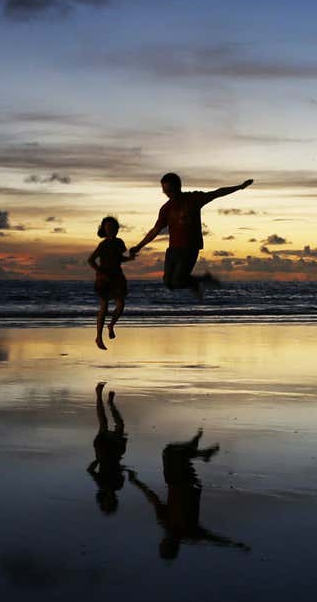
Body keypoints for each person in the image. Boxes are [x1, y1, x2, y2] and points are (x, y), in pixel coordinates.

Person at [126, 429, 249, 560]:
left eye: (163, 543)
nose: (164, 541)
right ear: (172, 546)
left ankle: (195, 446)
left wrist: (137, 482)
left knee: (172, 452)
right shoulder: (187, 533)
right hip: (186, 483)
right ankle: (200, 452)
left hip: (177, 482)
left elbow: (152, 498)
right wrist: (233, 544)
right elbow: (212, 538)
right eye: (166, 544)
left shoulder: (170, 525)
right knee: (172, 453)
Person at [128, 173, 253, 300]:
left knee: (177, 281)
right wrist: (139, 246)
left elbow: (217, 193)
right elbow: (155, 230)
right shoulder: (166, 208)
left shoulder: (193, 198)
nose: (168, 194)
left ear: (178, 187)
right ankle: (198, 282)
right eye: (165, 191)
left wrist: (239, 187)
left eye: (170, 190)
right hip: (173, 249)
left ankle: (201, 281)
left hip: (189, 248)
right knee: (168, 283)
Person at [87, 216, 133, 350]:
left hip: (117, 276)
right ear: (104, 230)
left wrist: (129, 259)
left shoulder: (119, 242)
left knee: (121, 304)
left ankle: (111, 325)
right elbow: (91, 260)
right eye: (108, 228)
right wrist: (100, 272)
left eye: (113, 228)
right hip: (104, 277)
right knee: (104, 307)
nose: (111, 230)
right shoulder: (103, 244)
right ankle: (99, 337)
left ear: (117, 229)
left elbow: (119, 258)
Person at [86, 382, 127, 514]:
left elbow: (90, 470)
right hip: (115, 453)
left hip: (103, 450)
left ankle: (98, 393)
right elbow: (119, 469)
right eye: (111, 502)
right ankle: (110, 403)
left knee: (103, 423)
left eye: (107, 502)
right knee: (120, 425)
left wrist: (98, 459)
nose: (110, 498)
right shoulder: (118, 486)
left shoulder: (102, 484)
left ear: (103, 499)